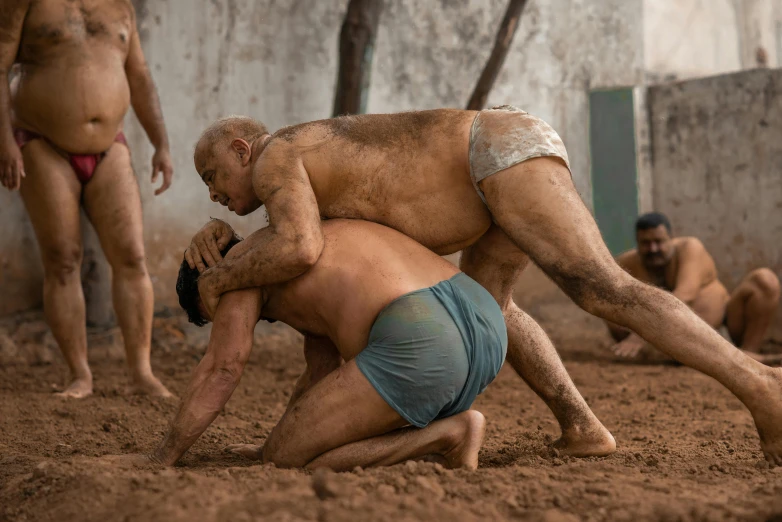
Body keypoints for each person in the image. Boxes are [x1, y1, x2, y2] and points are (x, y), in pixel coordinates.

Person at [184, 110, 782, 466]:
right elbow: (294, 247)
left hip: (490, 153)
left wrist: (219, 275)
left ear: (242, 149)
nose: (212, 191)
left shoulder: (274, 156)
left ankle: (760, 387)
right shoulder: (297, 165)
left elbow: (299, 248)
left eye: (212, 175)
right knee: (496, 306)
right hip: (490, 165)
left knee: (604, 290)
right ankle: (582, 428)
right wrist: (221, 236)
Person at [148, 219, 505, 470]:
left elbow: (222, 368)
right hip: (484, 318)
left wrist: (160, 456)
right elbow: (321, 374)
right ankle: (441, 439)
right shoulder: (296, 241)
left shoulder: (237, 272)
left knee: (285, 457)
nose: (228, 321)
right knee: (286, 446)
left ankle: (450, 434)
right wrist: (272, 442)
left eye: (215, 315)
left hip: (424, 337)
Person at [0, 1, 173, 398]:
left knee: (132, 255)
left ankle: (142, 372)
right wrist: (5, 141)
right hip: (40, 141)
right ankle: (81, 375)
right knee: (62, 259)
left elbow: (139, 73)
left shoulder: (120, 5)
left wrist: (161, 144)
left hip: (110, 145)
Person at [608, 212, 781, 365]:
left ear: (671, 238)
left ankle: (748, 356)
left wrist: (639, 336)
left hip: (723, 329)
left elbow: (682, 298)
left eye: (658, 242)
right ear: (637, 243)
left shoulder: (690, 248)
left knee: (765, 280)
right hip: (666, 343)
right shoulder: (626, 263)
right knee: (607, 297)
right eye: (645, 243)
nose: (653, 249)